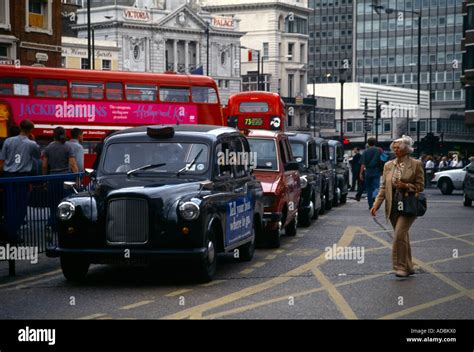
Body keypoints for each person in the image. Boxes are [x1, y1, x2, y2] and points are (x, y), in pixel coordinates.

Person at [370, 135, 425, 278]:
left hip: (409, 204)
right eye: (394, 148)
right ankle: (409, 267)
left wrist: (406, 185)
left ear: (406, 150)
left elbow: (420, 186)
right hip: (393, 205)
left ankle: (400, 267)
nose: (395, 150)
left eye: (398, 148)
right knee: (403, 237)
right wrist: (376, 205)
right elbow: (383, 187)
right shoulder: (388, 165)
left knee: (399, 235)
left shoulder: (416, 164)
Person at [0, 119, 40, 242]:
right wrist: (32, 140)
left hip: (7, 176)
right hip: (22, 177)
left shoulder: (8, 140)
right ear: (30, 130)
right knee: (20, 208)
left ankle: (6, 233)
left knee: (8, 206)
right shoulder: (32, 144)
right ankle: (12, 234)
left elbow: (2, 161)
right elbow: (37, 156)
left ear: (20, 127)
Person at [42, 127, 78, 233]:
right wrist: (76, 179)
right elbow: (73, 164)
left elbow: (44, 166)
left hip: (52, 178)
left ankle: (53, 226)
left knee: (53, 204)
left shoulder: (48, 148)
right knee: (65, 203)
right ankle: (64, 226)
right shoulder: (68, 147)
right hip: (66, 178)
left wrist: (45, 179)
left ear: (54, 135)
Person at [360, 137, 382, 210]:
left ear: (368, 143)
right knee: (376, 187)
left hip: (368, 171)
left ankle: (370, 205)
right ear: (375, 142)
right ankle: (374, 196)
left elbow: (362, 164)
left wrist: (360, 173)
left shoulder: (365, 152)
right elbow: (383, 159)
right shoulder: (379, 150)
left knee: (368, 188)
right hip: (376, 170)